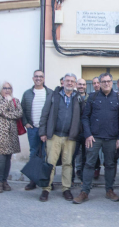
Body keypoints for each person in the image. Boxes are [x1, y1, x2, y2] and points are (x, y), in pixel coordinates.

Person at [73, 73, 119, 204]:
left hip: (112, 138)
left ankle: (109, 190)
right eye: (103, 81)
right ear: (100, 83)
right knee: (89, 164)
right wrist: (88, 134)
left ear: (112, 82)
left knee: (110, 165)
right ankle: (84, 191)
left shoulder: (118, 98)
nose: (106, 83)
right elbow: (85, 117)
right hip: (94, 137)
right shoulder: (93, 96)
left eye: (108, 81)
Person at [38, 73, 83, 202]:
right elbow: (44, 114)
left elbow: (82, 117)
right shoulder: (53, 95)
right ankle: (46, 189)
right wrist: (43, 132)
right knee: (50, 163)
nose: (69, 83)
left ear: (75, 84)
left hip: (70, 137)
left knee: (68, 163)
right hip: (54, 135)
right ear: (62, 82)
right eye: (67, 81)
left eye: (72, 81)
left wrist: (78, 132)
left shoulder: (78, 97)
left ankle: (66, 188)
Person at [0, 81, 23, 193]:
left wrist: (7, 113)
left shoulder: (15, 100)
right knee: (0, 158)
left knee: (8, 158)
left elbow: (19, 113)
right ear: (0, 89)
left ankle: (4, 181)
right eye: (5, 88)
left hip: (11, 133)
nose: (7, 90)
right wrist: (7, 105)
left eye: (9, 88)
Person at [21, 70, 53, 190]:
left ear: (44, 79)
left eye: (41, 76)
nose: (38, 78)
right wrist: (26, 123)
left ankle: (46, 180)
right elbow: (22, 110)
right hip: (33, 129)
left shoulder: (50, 93)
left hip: (46, 129)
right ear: (33, 78)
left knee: (47, 155)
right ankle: (33, 180)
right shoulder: (27, 93)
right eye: (36, 76)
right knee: (34, 154)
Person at [72, 78, 88, 183]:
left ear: (86, 86)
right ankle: (70, 178)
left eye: (83, 84)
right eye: (79, 84)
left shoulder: (90, 98)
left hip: (86, 131)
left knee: (85, 157)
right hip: (74, 131)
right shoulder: (72, 97)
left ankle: (82, 177)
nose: (81, 86)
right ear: (76, 85)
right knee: (72, 155)